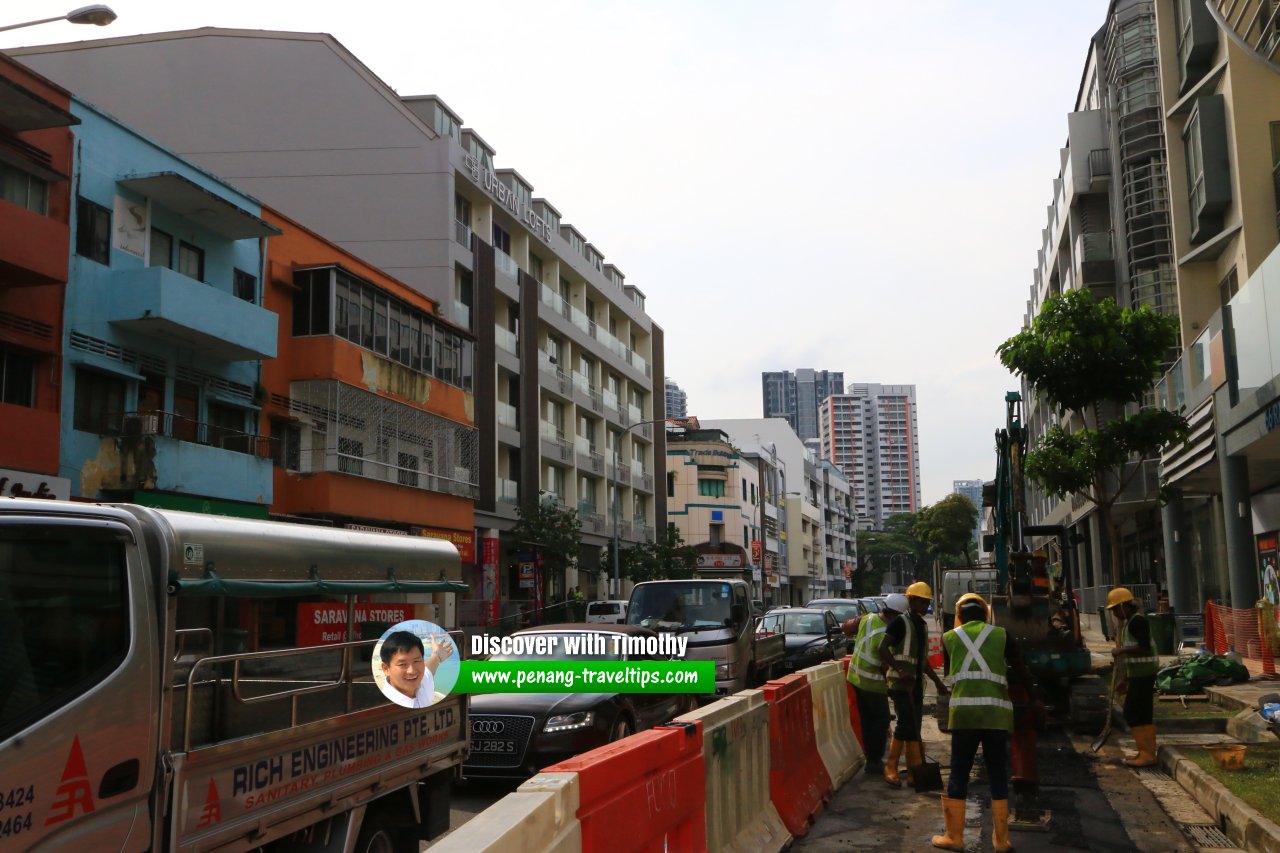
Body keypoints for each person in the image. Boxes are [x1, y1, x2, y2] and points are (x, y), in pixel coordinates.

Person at [931, 593, 1027, 852]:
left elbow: (952, 674)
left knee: (959, 772)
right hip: (996, 715)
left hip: (964, 716)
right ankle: (1001, 841)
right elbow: (1019, 667)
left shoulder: (950, 638)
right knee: (998, 773)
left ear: (959, 616)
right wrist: (1035, 696)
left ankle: (954, 837)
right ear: (986, 615)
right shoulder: (1001, 635)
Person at [880, 581, 949, 788]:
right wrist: (900, 670)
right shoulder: (899, 623)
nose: (924, 606)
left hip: (917, 685)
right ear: (911, 601)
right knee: (905, 725)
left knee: (914, 727)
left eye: (927, 602)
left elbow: (922, 660)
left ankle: (913, 770)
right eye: (921, 602)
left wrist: (938, 682)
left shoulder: (922, 625)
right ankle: (891, 767)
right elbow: (882, 648)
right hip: (900, 685)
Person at [845, 593, 904, 776]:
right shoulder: (885, 633)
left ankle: (870, 757)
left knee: (867, 720)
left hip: (855, 678)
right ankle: (874, 761)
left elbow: (846, 628)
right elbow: (883, 663)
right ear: (895, 615)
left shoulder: (868, 618)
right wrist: (893, 683)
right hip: (872, 682)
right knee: (881, 719)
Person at [1107, 586, 1160, 767]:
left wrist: (1121, 650)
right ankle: (1146, 753)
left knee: (1133, 713)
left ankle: (1147, 754)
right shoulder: (1129, 623)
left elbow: (1143, 646)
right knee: (1141, 714)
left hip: (1145, 675)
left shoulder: (1137, 622)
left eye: (1115, 609)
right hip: (1138, 675)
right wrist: (1125, 680)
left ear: (1124, 606)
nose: (1114, 613)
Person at [379, 630, 454, 708]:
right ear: (386, 669)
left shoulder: (422, 682)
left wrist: (437, 655)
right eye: (402, 664)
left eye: (416, 661)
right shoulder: (384, 708)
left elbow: (429, 667)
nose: (412, 671)